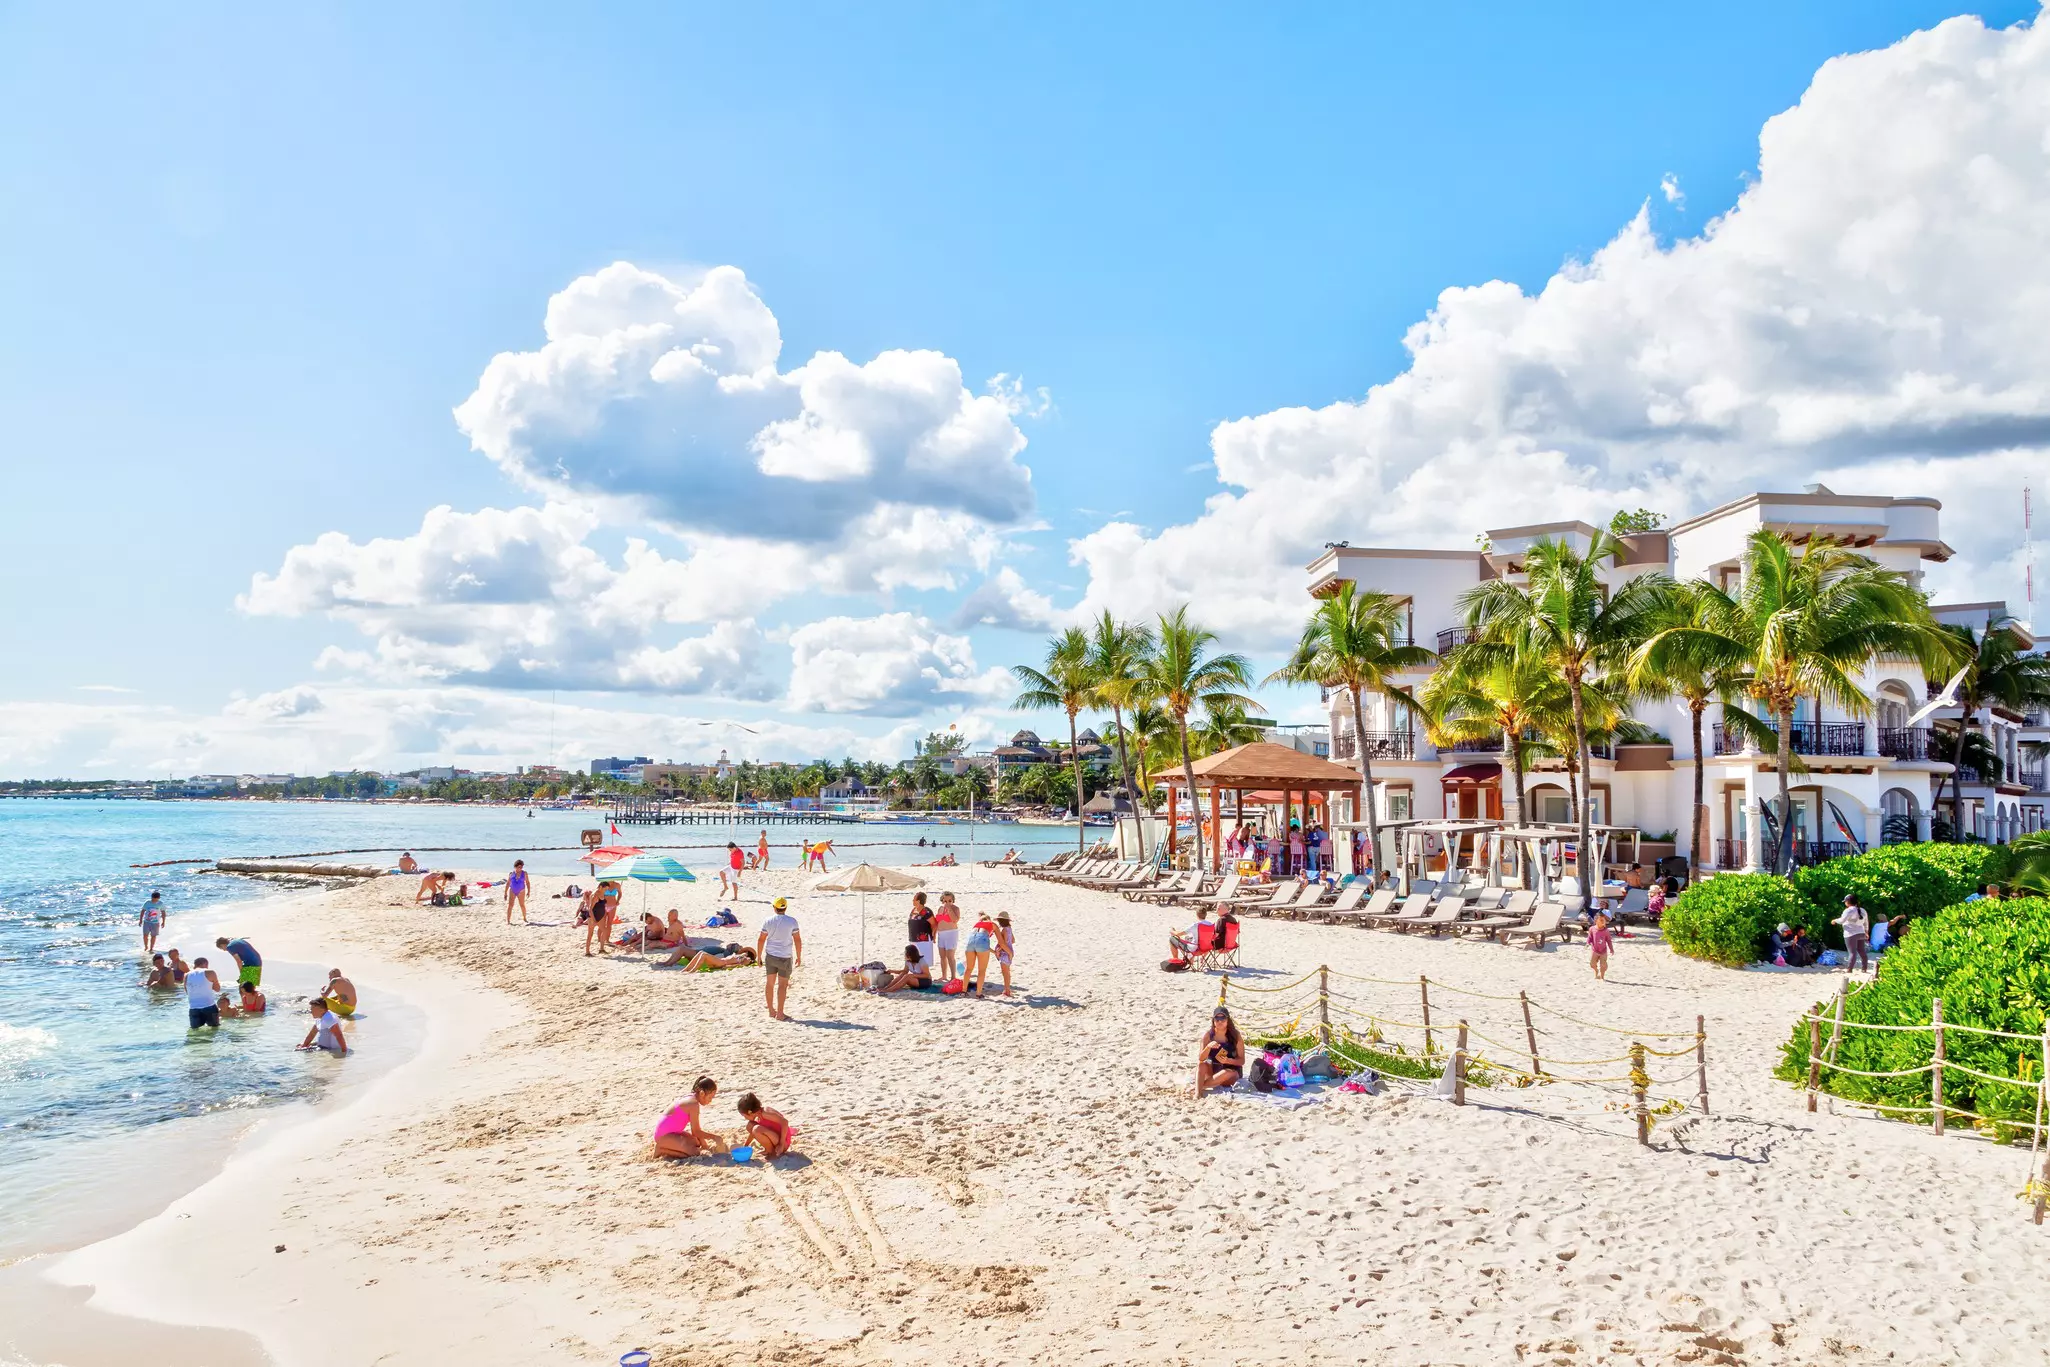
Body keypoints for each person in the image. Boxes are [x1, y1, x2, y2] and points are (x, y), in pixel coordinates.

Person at [653, 1077, 727, 1159]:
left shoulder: (692, 1098)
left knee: (696, 1143)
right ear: (702, 1093)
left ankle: (668, 1145)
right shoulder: (693, 1104)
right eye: (710, 1097)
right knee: (694, 1153)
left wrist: (704, 1145)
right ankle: (661, 1149)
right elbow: (696, 1132)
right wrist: (715, 1137)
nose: (710, 1101)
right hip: (663, 1135)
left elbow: (696, 1129)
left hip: (672, 1132)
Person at [757, 897, 801, 1022]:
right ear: (785, 908)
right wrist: (799, 956)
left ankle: (771, 1011)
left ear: (774, 908)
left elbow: (761, 939)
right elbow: (797, 940)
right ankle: (780, 1013)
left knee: (769, 984)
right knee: (782, 985)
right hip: (785, 956)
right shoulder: (792, 921)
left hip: (771, 956)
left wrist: (758, 956)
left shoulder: (768, 921)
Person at [1195, 1006, 1245, 1097]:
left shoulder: (1235, 1036)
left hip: (1231, 1072)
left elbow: (1242, 1061)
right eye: (1217, 1018)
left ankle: (1199, 1086)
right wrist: (1208, 1047)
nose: (1220, 1021)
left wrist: (1228, 1061)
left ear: (1228, 1020)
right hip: (1213, 1070)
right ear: (1213, 1021)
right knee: (1201, 1065)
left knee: (1226, 1072)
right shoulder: (1208, 1035)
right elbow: (1201, 1059)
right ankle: (1198, 1093)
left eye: (1223, 1018)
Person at [737, 1093, 793, 1159]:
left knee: (756, 1129)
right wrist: (746, 1146)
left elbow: (785, 1122)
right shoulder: (758, 1116)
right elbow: (753, 1133)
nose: (745, 1118)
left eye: (744, 1116)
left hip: (783, 1143)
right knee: (750, 1126)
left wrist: (781, 1144)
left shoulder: (765, 1113)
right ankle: (769, 1150)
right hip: (775, 1139)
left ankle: (772, 1153)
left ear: (750, 1112)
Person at [964, 910, 1000, 997]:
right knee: (982, 970)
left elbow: (978, 941)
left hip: (970, 942)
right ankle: (978, 993)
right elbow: (999, 941)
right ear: (989, 919)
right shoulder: (992, 924)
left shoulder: (976, 925)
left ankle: (963, 991)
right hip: (981, 943)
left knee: (968, 969)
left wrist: (994, 952)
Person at [185, 956, 225, 1030]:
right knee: (214, 1030)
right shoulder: (210, 972)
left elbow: (188, 992)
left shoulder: (187, 975)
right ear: (205, 964)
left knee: (195, 1033)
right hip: (209, 1006)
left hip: (193, 1008)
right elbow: (217, 989)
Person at [1834, 894, 1871, 973]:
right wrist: (1866, 932)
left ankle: (1849, 969)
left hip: (1850, 933)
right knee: (1862, 951)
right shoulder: (1863, 910)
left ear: (1847, 902)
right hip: (1861, 933)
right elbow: (1866, 923)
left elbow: (1842, 921)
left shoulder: (1848, 910)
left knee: (1852, 952)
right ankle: (1864, 968)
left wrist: (1834, 920)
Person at [933, 891, 962, 982]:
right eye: (945, 901)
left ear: (953, 900)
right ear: (942, 901)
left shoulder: (956, 909)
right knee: (942, 956)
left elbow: (955, 920)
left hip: (951, 933)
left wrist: (949, 909)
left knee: (950, 956)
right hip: (941, 934)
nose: (947, 903)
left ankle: (953, 976)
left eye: (950, 900)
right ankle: (944, 975)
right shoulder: (940, 909)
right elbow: (937, 923)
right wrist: (934, 934)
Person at [907, 893, 936, 975]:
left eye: (914, 899)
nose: (912, 900)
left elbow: (934, 924)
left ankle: (926, 975)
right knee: (914, 957)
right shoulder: (913, 910)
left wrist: (934, 935)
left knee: (923, 958)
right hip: (913, 938)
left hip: (923, 939)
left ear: (919, 901)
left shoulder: (926, 911)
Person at [1588, 912, 1614, 981]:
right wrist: (1588, 943)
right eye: (1601, 920)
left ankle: (1602, 976)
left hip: (1603, 951)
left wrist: (1611, 949)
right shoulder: (1592, 929)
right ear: (1596, 920)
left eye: (1604, 920)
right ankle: (1596, 970)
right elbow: (1590, 937)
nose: (1603, 922)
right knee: (1592, 964)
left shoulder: (1606, 931)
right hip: (1595, 950)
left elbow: (1609, 941)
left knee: (1603, 965)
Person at [505, 859, 530, 924]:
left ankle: (524, 918)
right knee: (510, 905)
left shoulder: (524, 873)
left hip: (521, 890)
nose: (520, 868)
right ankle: (508, 920)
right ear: (515, 867)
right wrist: (505, 893)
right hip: (512, 890)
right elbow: (508, 883)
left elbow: (527, 882)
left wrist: (529, 891)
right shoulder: (511, 874)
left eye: (521, 867)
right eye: (519, 867)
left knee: (522, 905)